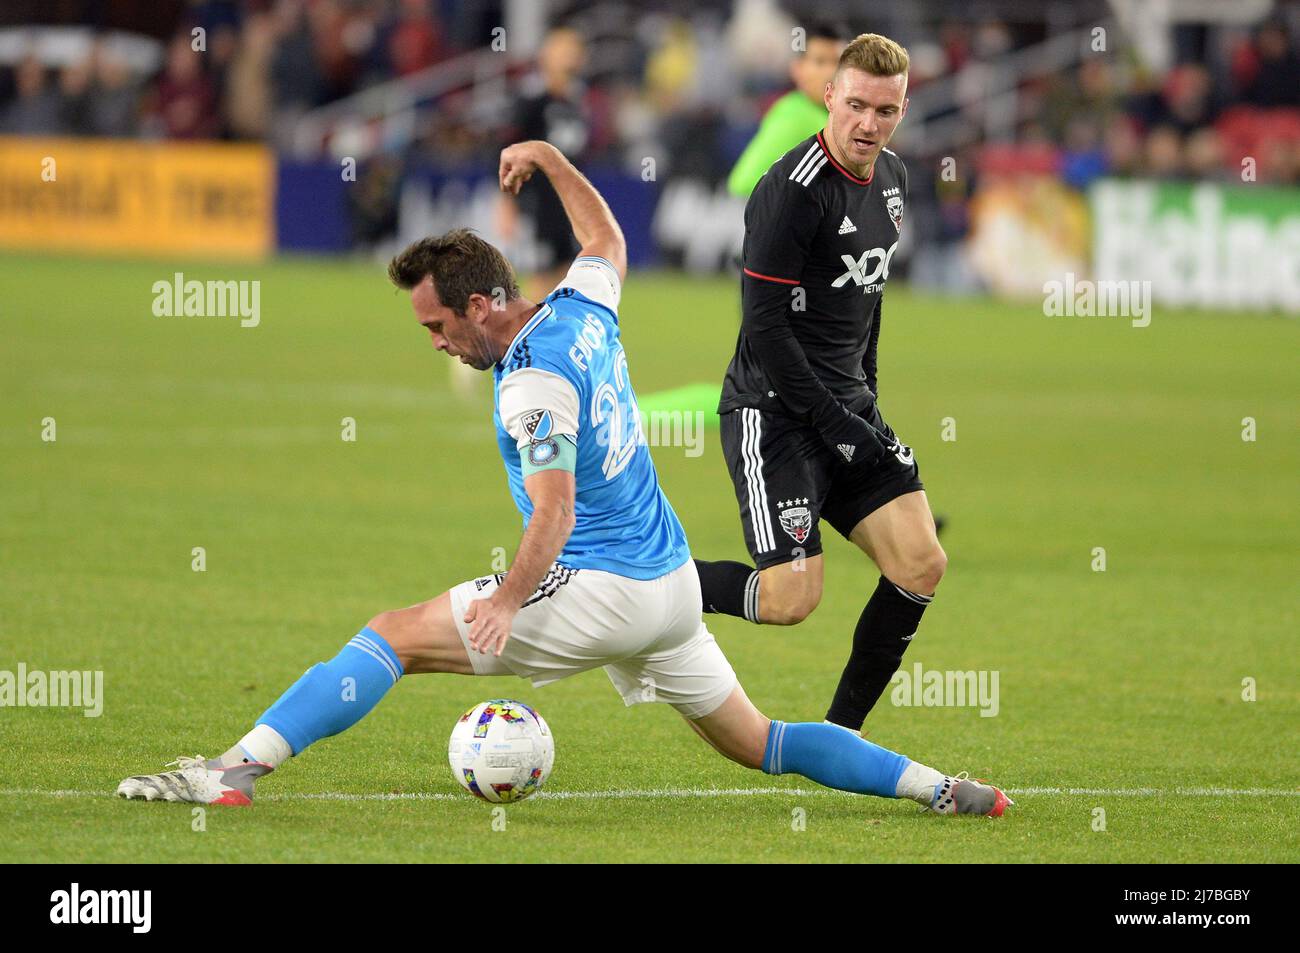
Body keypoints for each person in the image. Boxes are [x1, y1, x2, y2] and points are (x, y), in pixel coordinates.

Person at [115, 138, 1009, 818]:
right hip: (668, 588)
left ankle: (232, 772)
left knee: (391, 635)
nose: (435, 344)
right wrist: (547, 157)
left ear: (479, 306)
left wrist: (507, 598)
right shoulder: (581, 303)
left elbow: (554, 506)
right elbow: (606, 235)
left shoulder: (529, 381)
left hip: (602, 588)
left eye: (436, 326)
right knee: (761, 742)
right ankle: (944, 788)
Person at [694, 34, 945, 736]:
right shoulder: (791, 191)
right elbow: (766, 330)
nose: (869, 123)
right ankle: (642, 583)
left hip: (847, 409)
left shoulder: (892, 178)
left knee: (921, 561)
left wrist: (863, 397)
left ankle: (841, 737)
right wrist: (836, 423)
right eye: (857, 105)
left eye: (887, 110)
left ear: (903, 110)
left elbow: (870, 298)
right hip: (772, 414)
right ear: (829, 96)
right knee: (788, 598)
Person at [727, 20, 847, 198]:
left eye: (838, 62)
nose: (831, 72)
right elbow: (743, 184)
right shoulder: (798, 116)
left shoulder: (826, 114)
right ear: (797, 69)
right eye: (820, 62)